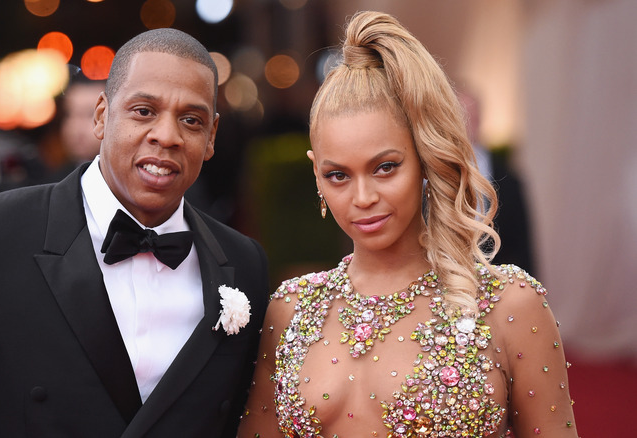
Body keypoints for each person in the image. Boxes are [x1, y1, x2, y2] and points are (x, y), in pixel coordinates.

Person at [0, 27, 270, 437]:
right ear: (101, 116)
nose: (166, 136)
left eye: (191, 120)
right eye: (143, 111)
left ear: (211, 138)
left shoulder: (244, 265)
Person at [237, 11, 577, 438]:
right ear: (316, 174)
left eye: (385, 168)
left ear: (424, 160)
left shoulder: (510, 305)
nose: (362, 198)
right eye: (337, 175)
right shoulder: (290, 309)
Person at [458, 88, 536, 273]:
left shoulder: (509, 177)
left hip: (499, 281)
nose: (467, 124)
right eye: (461, 116)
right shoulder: (430, 172)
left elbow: (522, 240)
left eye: (472, 117)